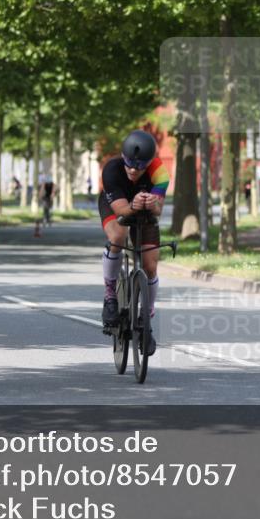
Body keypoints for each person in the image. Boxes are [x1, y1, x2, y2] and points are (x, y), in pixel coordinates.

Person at [98, 130, 169, 355]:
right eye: (128, 164)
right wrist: (135, 204)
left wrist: (152, 203)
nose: (132, 170)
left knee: (150, 265)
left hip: (145, 208)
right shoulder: (111, 170)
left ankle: (146, 317)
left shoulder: (160, 172)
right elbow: (121, 212)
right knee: (118, 237)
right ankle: (110, 295)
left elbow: (158, 210)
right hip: (117, 205)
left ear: (149, 163)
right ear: (122, 156)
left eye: (139, 167)